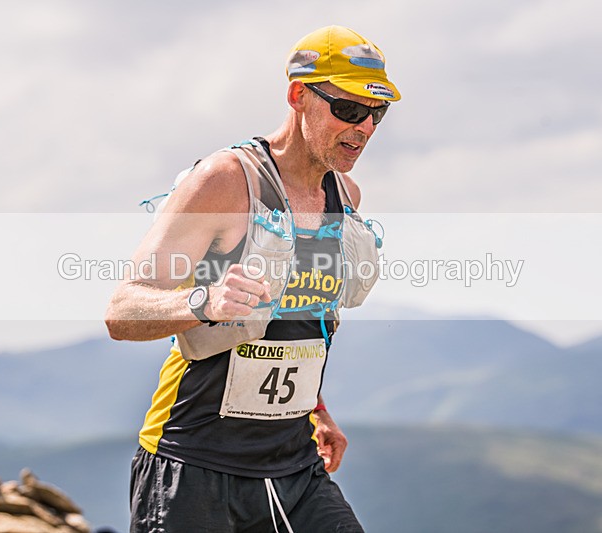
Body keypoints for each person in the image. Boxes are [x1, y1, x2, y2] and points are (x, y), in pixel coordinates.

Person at [106, 25, 401, 533]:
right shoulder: (224, 182)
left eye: (377, 112)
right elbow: (122, 311)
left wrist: (316, 409)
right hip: (193, 462)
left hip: (293, 466)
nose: (365, 128)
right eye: (349, 110)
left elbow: (298, 319)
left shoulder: (345, 196)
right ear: (298, 95)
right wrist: (205, 301)